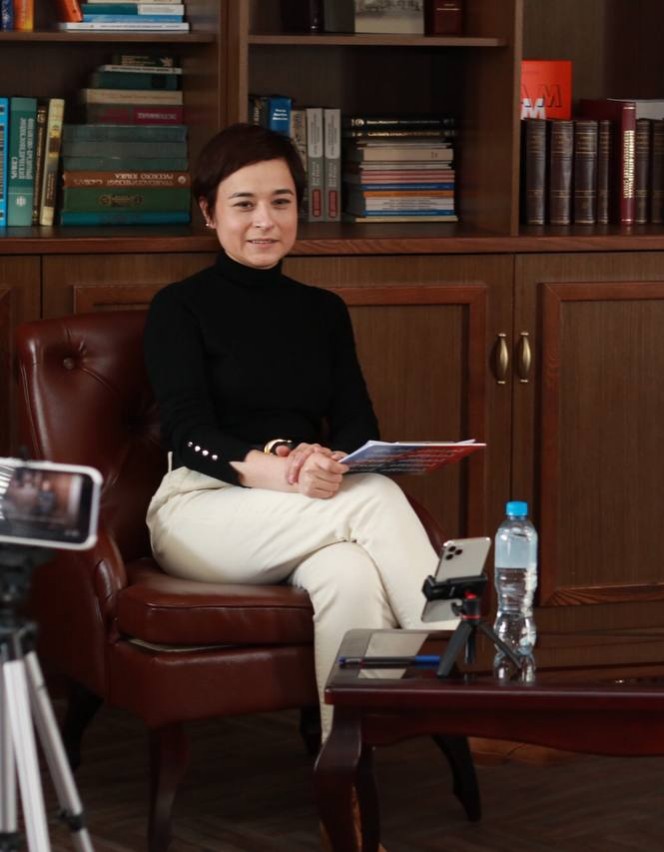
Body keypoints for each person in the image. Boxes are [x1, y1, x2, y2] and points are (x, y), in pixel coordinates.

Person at [143, 123, 452, 739]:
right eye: (244, 204)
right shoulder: (178, 308)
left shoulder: (322, 311)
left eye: (280, 202)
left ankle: (346, 761)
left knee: (349, 574)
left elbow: (358, 424)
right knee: (374, 497)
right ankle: (456, 653)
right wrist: (287, 468)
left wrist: (326, 460)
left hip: (309, 507)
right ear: (209, 212)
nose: (265, 221)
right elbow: (187, 434)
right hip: (201, 511)